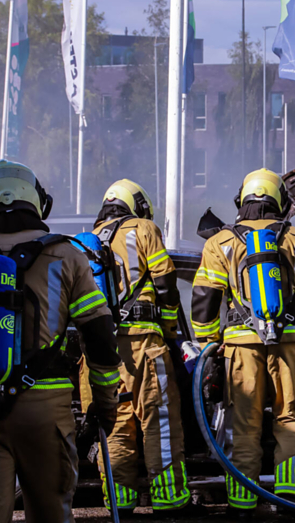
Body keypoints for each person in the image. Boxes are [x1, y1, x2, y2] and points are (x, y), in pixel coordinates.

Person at [0, 160, 120, 523]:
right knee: (50, 514)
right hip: (44, 408)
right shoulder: (67, 255)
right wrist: (105, 406)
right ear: (39, 202)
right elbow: (100, 337)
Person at [191, 168, 295, 514]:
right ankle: (292, 495)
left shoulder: (220, 242)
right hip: (290, 341)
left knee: (243, 421)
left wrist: (209, 341)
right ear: (279, 200)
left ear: (242, 199)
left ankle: (242, 499)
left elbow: (205, 299)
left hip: (240, 344)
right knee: (292, 414)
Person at [92, 179, 190, 514]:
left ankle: (120, 500)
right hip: (143, 344)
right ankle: (169, 499)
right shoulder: (143, 229)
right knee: (158, 420)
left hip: (100, 351)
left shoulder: (87, 241)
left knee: (116, 424)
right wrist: (171, 328)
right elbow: (165, 282)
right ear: (137, 205)